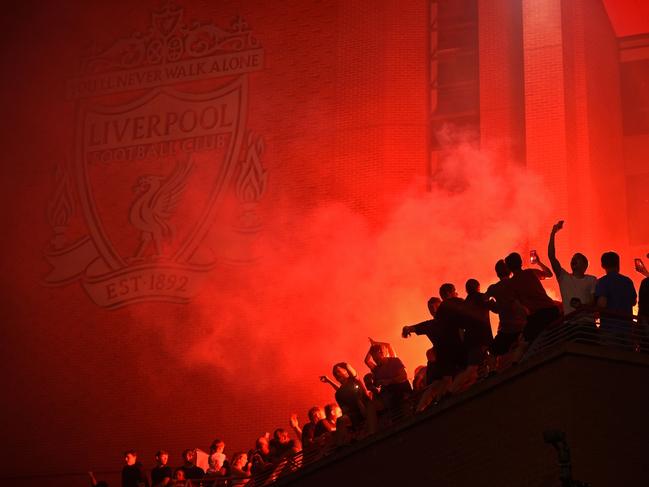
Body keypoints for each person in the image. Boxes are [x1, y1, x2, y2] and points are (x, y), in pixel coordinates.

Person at [505, 252, 558, 343]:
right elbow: (549, 274)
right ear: (520, 262)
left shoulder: (511, 284)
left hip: (537, 315)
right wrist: (538, 262)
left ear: (508, 267)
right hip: (552, 310)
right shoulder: (531, 272)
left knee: (524, 343)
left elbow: (517, 306)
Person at [548, 221, 597, 316]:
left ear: (585, 265)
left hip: (587, 324)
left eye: (577, 258)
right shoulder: (563, 278)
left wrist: (582, 306)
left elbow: (593, 301)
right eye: (573, 258)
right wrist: (553, 233)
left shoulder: (592, 280)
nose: (574, 260)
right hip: (570, 326)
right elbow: (551, 256)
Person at [486, 260, 527, 357]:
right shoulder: (516, 281)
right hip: (524, 323)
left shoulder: (494, 288)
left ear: (497, 274)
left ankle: (494, 371)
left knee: (493, 351)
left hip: (507, 328)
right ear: (510, 271)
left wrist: (494, 306)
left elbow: (484, 299)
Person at [595, 251, 637, 343]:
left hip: (609, 329)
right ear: (618, 263)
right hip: (627, 330)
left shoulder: (602, 282)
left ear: (603, 265)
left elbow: (602, 303)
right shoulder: (627, 281)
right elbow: (634, 302)